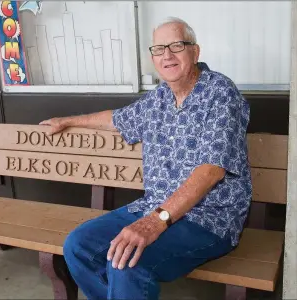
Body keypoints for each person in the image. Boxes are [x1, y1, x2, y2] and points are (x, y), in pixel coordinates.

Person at [39, 17, 252, 300]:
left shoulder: (220, 93)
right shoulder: (159, 98)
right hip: (154, 207)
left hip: (209, 219)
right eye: (159, 48)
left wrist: (156, 222)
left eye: (177, 45)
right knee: (78, 246)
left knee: (128, 262)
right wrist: (66, 120)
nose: (167, 55)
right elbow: (117, 119)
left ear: (195, 52)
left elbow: (211, 169)